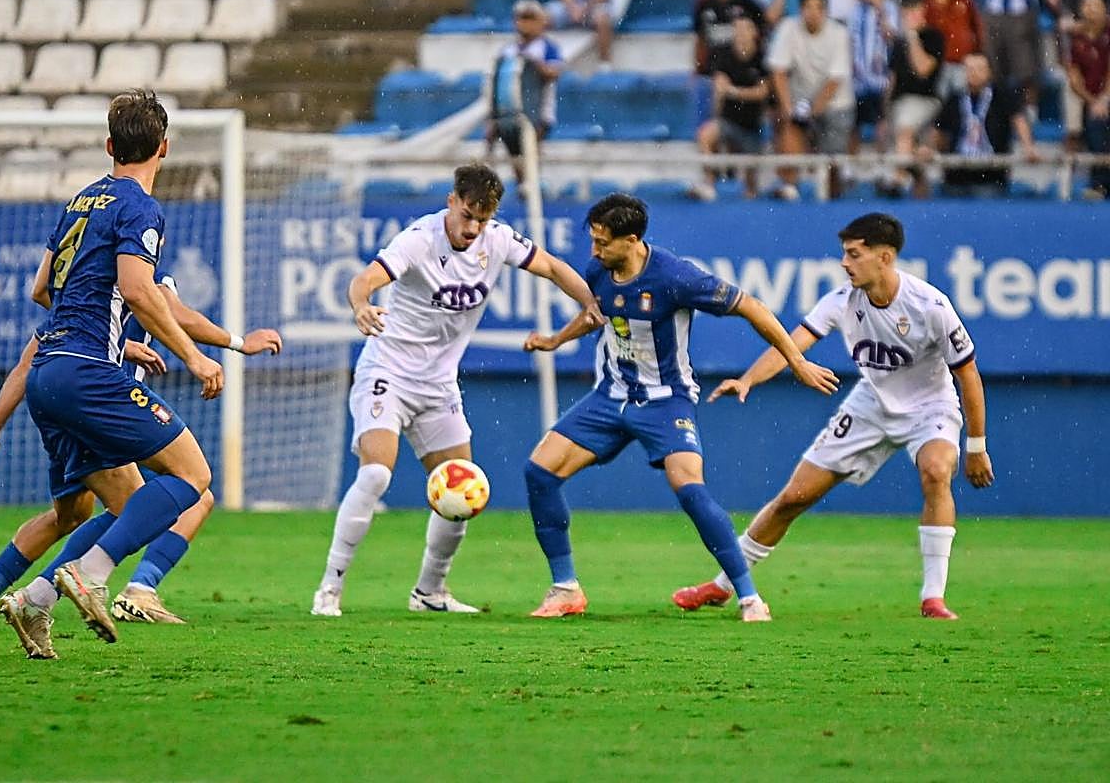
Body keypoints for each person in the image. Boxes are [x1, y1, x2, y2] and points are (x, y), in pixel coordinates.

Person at [520, 193, 839, 622]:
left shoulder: (676, 277)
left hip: (666, 401)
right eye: (592, 241)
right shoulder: (601, 269)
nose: (593, 252)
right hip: (610, 397)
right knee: (539, 472)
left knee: (689, 488)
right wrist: (556, 340)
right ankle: (565, 590)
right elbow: (597, 313)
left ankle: (748, 596)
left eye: (602, 243)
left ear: (632, 240)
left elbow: (752, 307)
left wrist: (796, 362)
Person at [311, 163, 602, 617]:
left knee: (463, 490)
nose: (473, 228)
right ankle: (329, 588)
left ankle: (430, 592)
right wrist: (360, 304)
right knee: (376, 475)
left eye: (482, 220)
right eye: (467, 215)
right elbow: (366, 277)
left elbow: (550, 266)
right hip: (387, 371)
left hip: (438, 385)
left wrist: (589, 302)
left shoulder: (498, 239)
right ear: (452, 200)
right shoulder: (420, 239)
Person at [673, 212, 994, 621]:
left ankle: (933, 598)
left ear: (885, 257)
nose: (845, 262)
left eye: (854, 254)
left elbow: (967, 373)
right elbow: (795, 344)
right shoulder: (843, 300)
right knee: (793, 498)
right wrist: (749, 379)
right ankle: (721, 585)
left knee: (935, 470)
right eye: (844, 253)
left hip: (930, 407)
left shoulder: (930, 306)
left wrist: (977, 447)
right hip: (870, 405)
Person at [0, 89, 224, 657]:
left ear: (108, 146)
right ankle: (93, 572)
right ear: (164, 148)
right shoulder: (140, 206)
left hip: (46, 372)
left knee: (127, 506)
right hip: (88, 371)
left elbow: (40, 289)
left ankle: (34, 601)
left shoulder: (80, 201)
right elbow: (138, 288)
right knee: (193, 477)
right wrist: (193, 356)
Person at [0, 277, 282, 626]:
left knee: (71, 515)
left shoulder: (72, 300)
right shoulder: (134, 273)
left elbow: (27, 354)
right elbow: (177, 315)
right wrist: (239, 342)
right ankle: (134, 589)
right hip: (107, 405)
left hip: (59, 406)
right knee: (188, 493)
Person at [767, 0, 855, 199]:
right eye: (808, 7)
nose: (813, 12)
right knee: (789, 127)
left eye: (818, 8)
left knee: (833, 167)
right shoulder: (788, 28)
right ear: (801, 10)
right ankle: (789, 185)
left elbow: (835, 80)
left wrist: (811, 111)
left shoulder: (839, 34)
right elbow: (778, 71)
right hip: (800, 101)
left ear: (825, 11)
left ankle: (833, 193)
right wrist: (790, 109)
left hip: (837, 105)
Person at [935, 51, 1039, 194]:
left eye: (979, 69)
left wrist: (1028, 147)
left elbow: (1018, 120)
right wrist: (932, 151)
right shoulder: (954, 98)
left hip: (991, 177)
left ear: (989, 71)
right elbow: (939, 132)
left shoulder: (1001, 96)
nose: (974, 73)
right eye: (970, 69)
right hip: (956, 177)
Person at [487, 0, 563, 188]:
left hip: (538, 109)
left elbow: (554, 72)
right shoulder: (508, 50)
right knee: (512, 149)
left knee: (531, 145)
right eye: (522, 19)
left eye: (531, 19)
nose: (526, 24)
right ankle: (521, 186)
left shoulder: (547, 48)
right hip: (508, 110)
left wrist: (533, 65)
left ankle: (532, 185)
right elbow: (497, 78)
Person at [694, 17, 771, 200]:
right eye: (738, 29)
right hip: (728, 121)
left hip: (753, 126)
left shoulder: (762, 58)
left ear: (755, 33)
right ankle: (709, 183)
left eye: (746, 29)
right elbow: (720, 87)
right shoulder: (723, 55)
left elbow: (762, 92)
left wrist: (734, 92)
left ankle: (751, 190)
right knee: (706, 135)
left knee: (751, 181)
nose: (742, 34)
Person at [879, 0, 946, 197]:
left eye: (914, 10)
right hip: (901, 103)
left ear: (923, 10)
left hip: (925, 101)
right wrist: (884, 116)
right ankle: (914, 177)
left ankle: (898, 179)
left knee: (905, 129)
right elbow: (893, 81)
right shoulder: (899, 43)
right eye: (905, 11)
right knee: (909, 147)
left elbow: (923, 70)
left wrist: (913, 36)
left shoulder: (934, 37)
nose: (910, 15)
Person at [971, 0, 1042, 106]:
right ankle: (995, 115)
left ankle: (1029, 118)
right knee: (992, 70)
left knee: (1026, 73)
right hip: (991, 12)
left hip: (1022, 12)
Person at [1064, 0, 1110, 198]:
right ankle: (1094, 184)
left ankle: (1100, 183)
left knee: (1098, 123)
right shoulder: (1075, 39)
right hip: (1088, 97)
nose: (1091, 9)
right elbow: (1074, 77)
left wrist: (1104, 99)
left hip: (1105, 94)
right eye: (1087, 5)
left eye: (1096, 5)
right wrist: (1092, 101)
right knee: (1092, 123)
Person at [850, 0, 901, 149]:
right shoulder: (857, 10)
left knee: (882, 122)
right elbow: (851, 40)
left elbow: (892, 35)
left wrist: (881, 10)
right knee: (854, 123)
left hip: (882, 78)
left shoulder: (891, 7)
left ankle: (882, 160)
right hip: (859, 79)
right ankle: (850, 166)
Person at [924, 0, 985, 98]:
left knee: (963, 96)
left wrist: (977, 53)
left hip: (963, 63)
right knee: (940, 98)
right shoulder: (927, 2)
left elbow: (977, 26)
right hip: (939, 66)